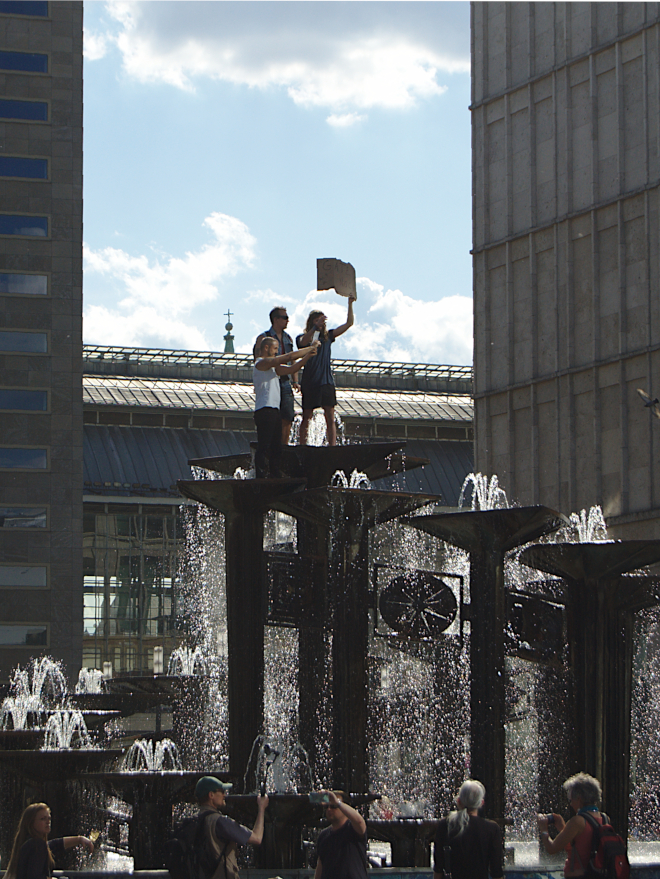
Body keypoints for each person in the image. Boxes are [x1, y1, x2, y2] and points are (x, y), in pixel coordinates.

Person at [253, 336, 318, 478]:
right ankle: (260, 475)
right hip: (264, 409)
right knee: (264, 444)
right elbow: (287, 357)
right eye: (275, 349)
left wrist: (307, 356)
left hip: (275, 410)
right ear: (266, 348)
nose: (276, 352)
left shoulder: (273, 369)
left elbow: (292, 368)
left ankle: (274, 473)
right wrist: (309, 348)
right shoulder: (260, 363)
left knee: (277, 446)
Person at [296, 294, 356, 446]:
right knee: (307, 414)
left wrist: (349, 304)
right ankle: (302, 444)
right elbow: (303, 342)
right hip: (310, 381)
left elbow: (349, 323)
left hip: (326, 381)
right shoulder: (305, 338)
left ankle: (332, 445)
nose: (321, 323)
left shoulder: (328, 337)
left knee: (330, 413)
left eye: (322, 321)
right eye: (317, 321)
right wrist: (315, 328)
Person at [195, 776, 268, 879]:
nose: (224, 795)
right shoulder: (220, 822)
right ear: (211, 795)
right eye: (221, 791)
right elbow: (257, 838)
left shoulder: (194, 821)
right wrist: (261, 808)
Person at [537, 772, 605, 877]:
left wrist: (543, 829)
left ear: (579, 799)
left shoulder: (577, 821)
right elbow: (576, 849)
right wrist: (562, 828)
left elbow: (551, 848)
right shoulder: (604, 818)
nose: (570, 803)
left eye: (571, 799)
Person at [432, 779, 503, 879]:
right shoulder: (491, 829)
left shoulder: (446, 825)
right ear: (481, 803)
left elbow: (438, 868)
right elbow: (496, 871)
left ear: (458, 801)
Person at [4, 802, 94, 879]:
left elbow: (54, 845)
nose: (48, 822)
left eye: (49, 818)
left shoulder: (29, 843)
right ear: (31, 823)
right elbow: (35, 877)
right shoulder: (37, 844)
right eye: (42, 819)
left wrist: (79, 839)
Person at [253, 307, 299, 445]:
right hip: (270, 377)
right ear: (276, 319)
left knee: (287, 414)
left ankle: (283, 445)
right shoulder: (264, 337)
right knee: (271, 414)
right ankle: (271, 444)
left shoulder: (288, 338)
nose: (287, 320)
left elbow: (292, 361)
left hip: (284, 378)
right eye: (284, 318)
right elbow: (258, 358)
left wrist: (295, 380)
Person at [314, 790, 367, 879]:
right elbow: (320, 866)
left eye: (334, 806)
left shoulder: (353, 829)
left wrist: (338, 802)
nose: (329, 809)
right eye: (327, 806)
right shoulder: (323, 835)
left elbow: (359, 821)